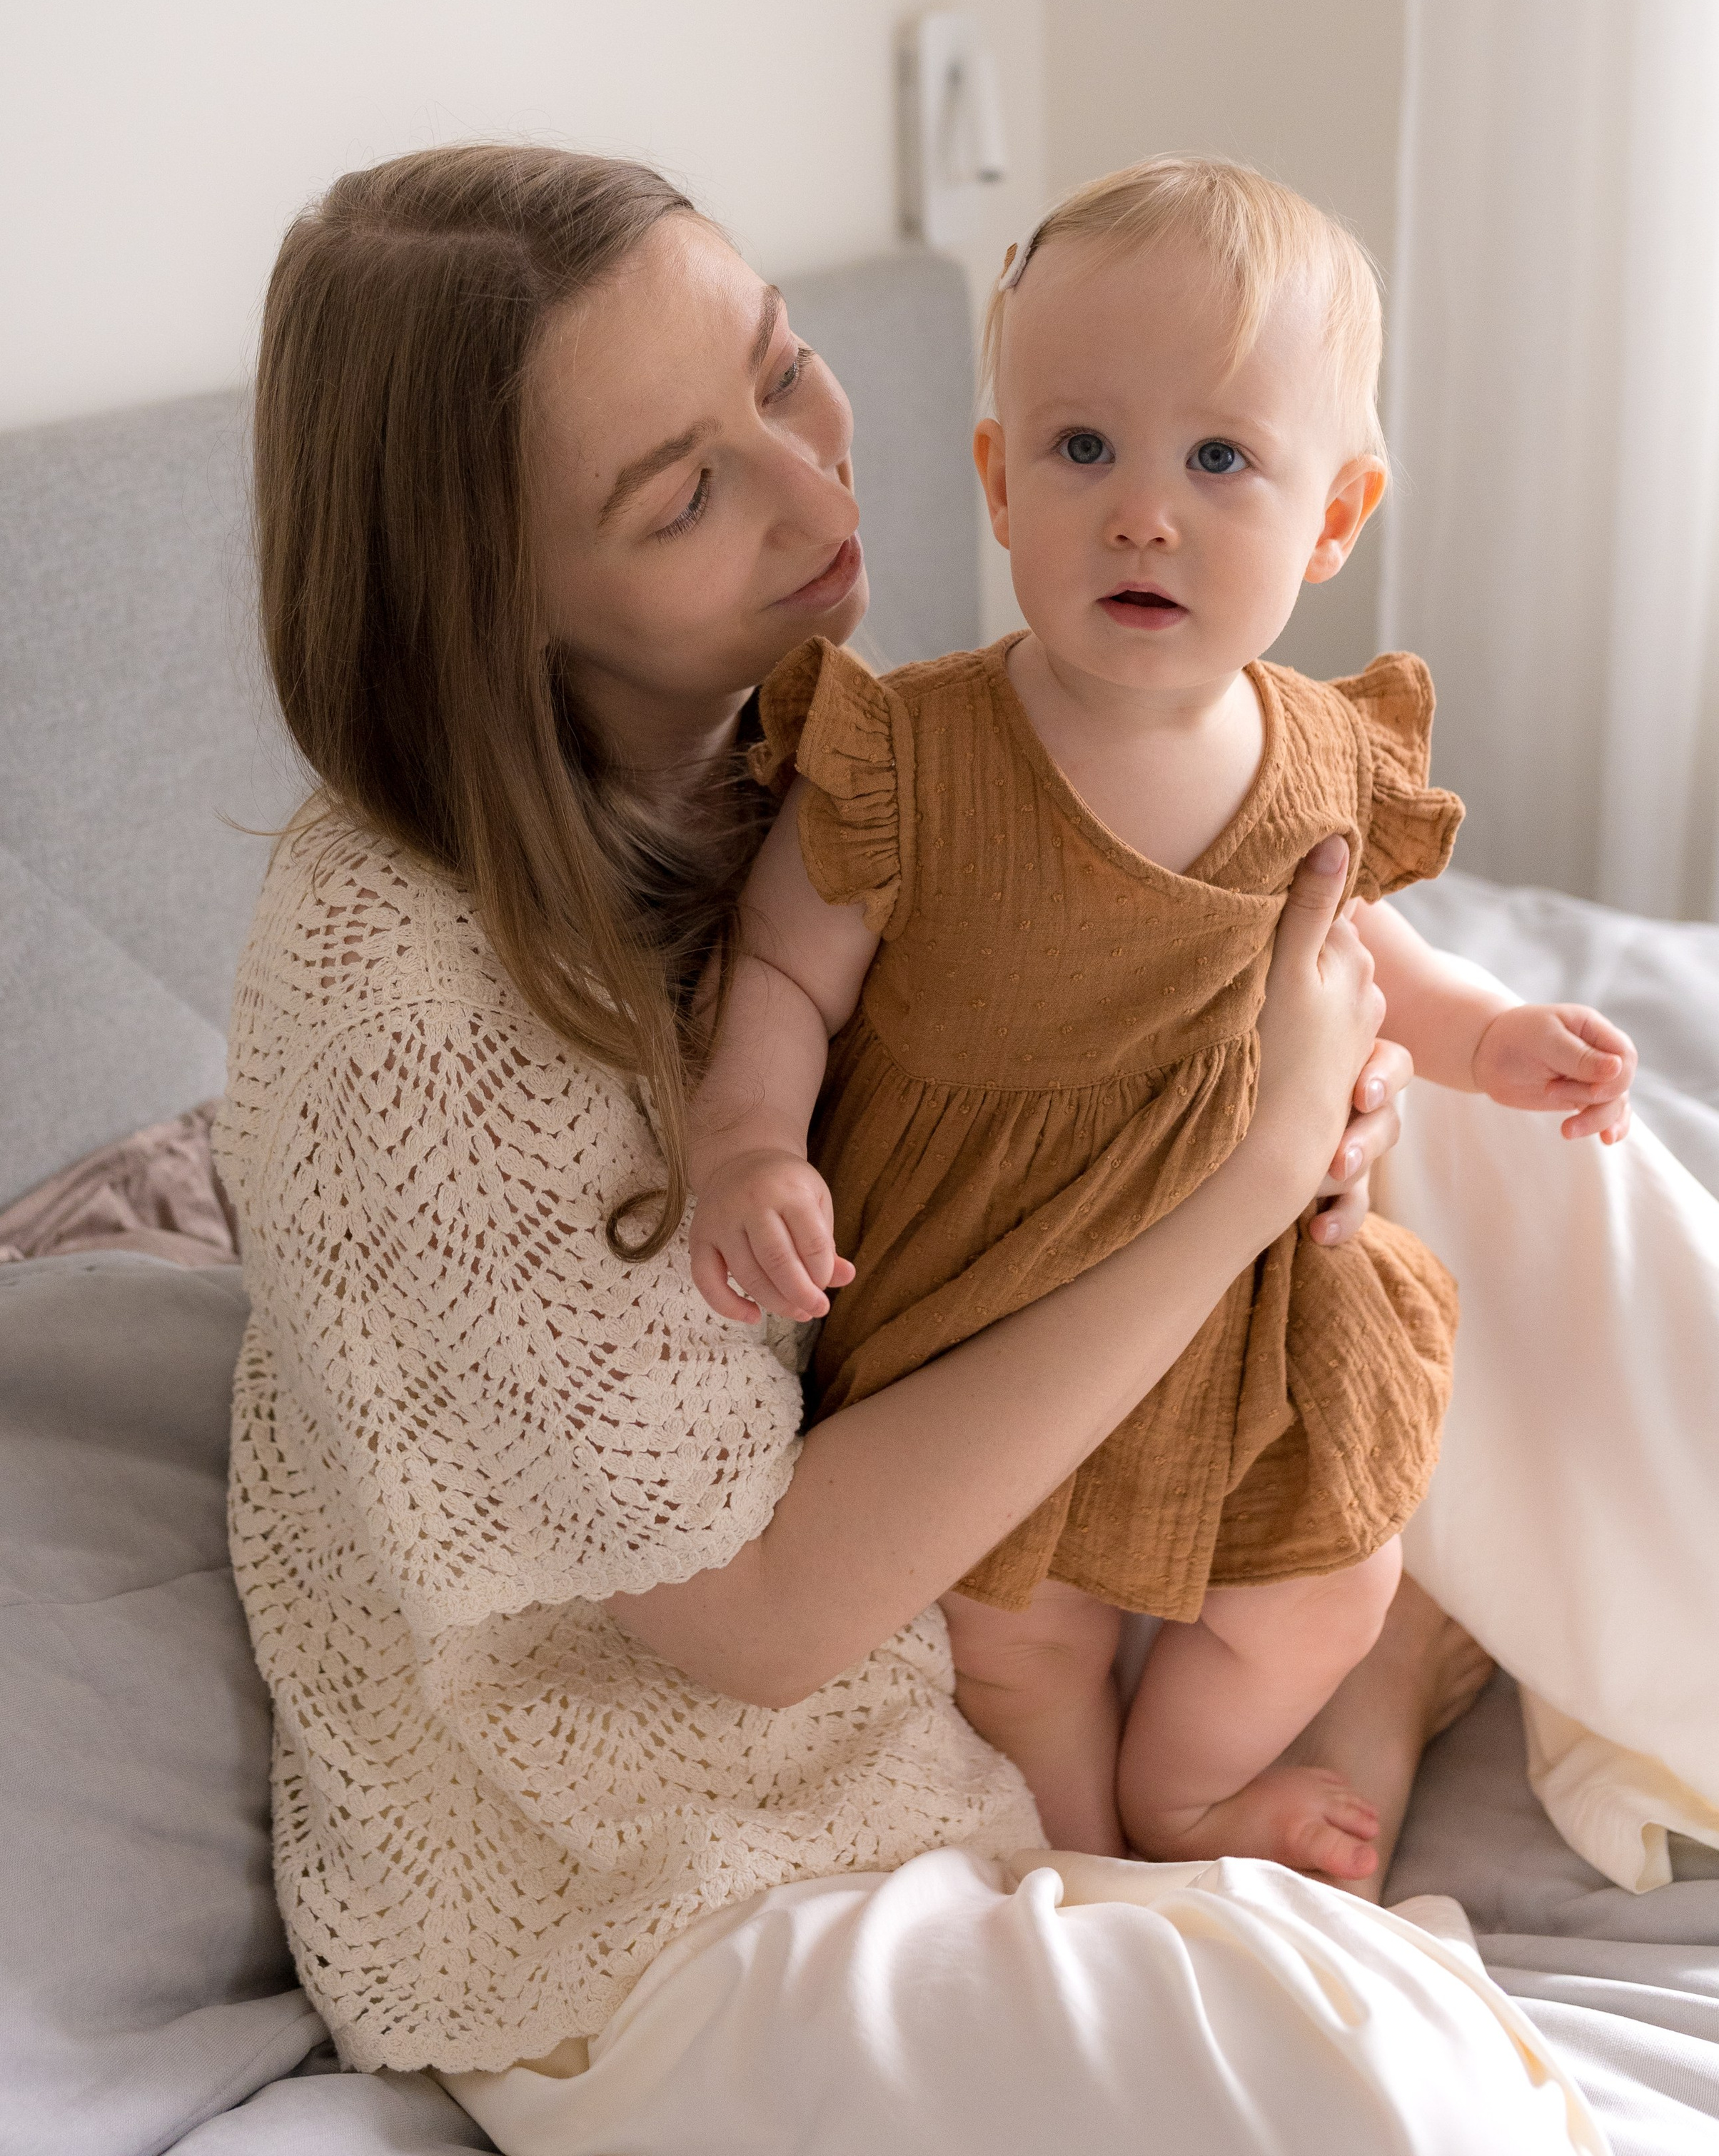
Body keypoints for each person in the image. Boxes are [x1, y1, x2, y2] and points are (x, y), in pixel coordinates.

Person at [215, 143, 1596, 2156]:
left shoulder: (778, 719)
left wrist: (1345, 1092)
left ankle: (1420, 1667)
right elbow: (766, 1622)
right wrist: (1253, 1162)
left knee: (1574, 1159)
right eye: (685, 492)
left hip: (971, 1528)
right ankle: (1344, 1710)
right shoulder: (398, 991)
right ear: (486, 603)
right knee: (1372, 2094)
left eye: (783, 374)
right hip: (669, 1876)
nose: (816, 491)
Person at [685, 158, 1638, 1878]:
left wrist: (1494, 1040)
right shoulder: (914, 756)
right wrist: (749, 1136)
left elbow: (1373, 968)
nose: (1143, 512)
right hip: (989, 1292)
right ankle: (1082, 1862)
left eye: (1217, 460)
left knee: (1331, 1579)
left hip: (1244, 1297)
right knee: (1015, 1633)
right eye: (1079, 449)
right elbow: (779, 974)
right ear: (993, 479)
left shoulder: (1317, 759)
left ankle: (1186, 1790)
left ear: (1332, 517)